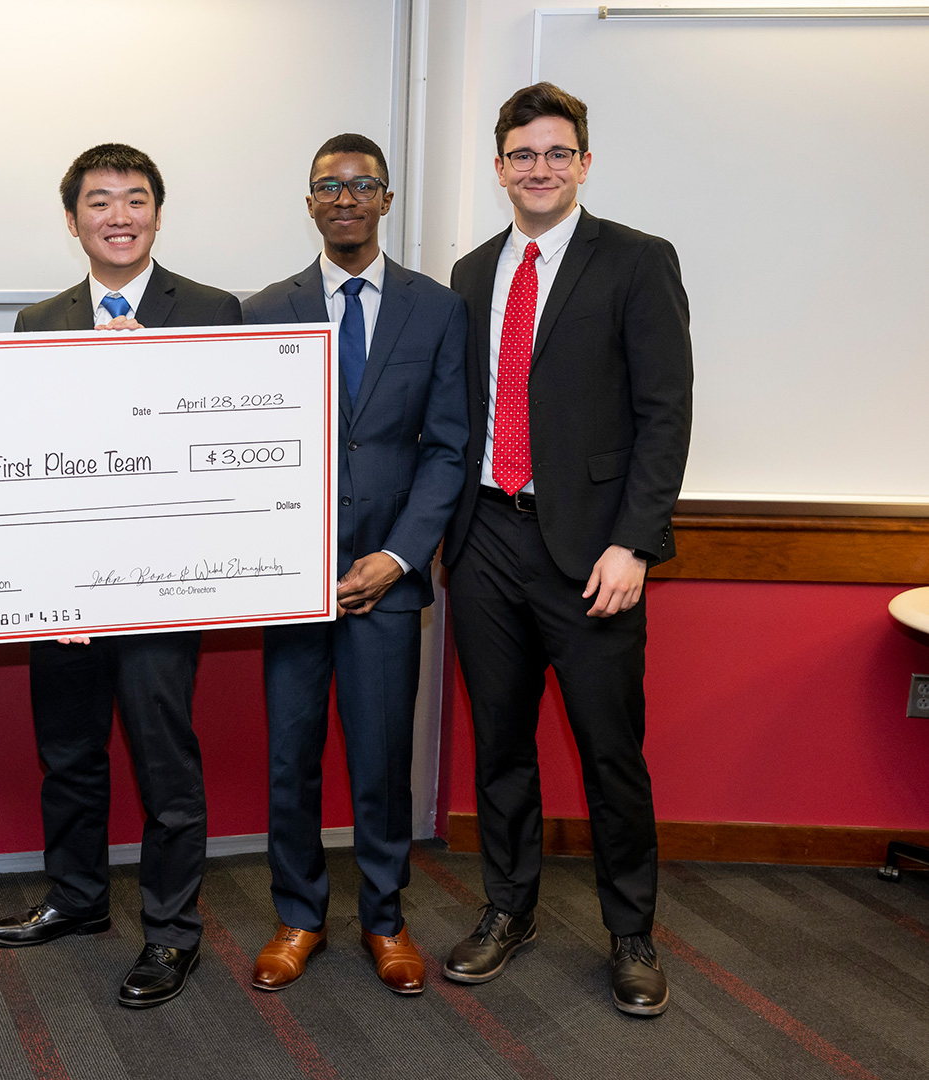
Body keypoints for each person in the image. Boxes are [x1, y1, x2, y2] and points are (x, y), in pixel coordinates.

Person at [441, 82, 692, 1016]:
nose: (538, 169)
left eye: (556, 153)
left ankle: (632, 931)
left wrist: (635, 543)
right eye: (521, 154)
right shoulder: (470, 274)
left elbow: (666, 415)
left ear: (584, 162)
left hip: (593, 556)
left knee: (608, 752)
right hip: (484, 540)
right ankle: (510, 909)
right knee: (501, 745)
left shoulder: (635, 260)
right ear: (498, 166)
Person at [0, 144, 241, 1008]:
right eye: (99, 202)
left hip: (166, 586)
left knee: (166, 766)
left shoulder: (211, 312)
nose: (118, 216)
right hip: (63, 589)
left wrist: (149, 377)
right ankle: (78, 898)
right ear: (72, 222)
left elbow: (226, 455)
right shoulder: (39, 322)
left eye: (135, 200)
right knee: (69, 753)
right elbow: (23, 457)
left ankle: (170, 934)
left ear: (158, 215)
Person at [241, 134, 467, 995]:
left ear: (386, 199)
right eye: (328, 186)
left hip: (388, 580)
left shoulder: (435, 309)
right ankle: (298, 916)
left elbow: (447, 449)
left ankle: (385, 917)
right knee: (290, 760)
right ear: (309, 202)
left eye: (362, 184)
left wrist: (397, 556)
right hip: (291, 580)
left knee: (379, 760)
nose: (345, 198)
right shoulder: (267, 308)